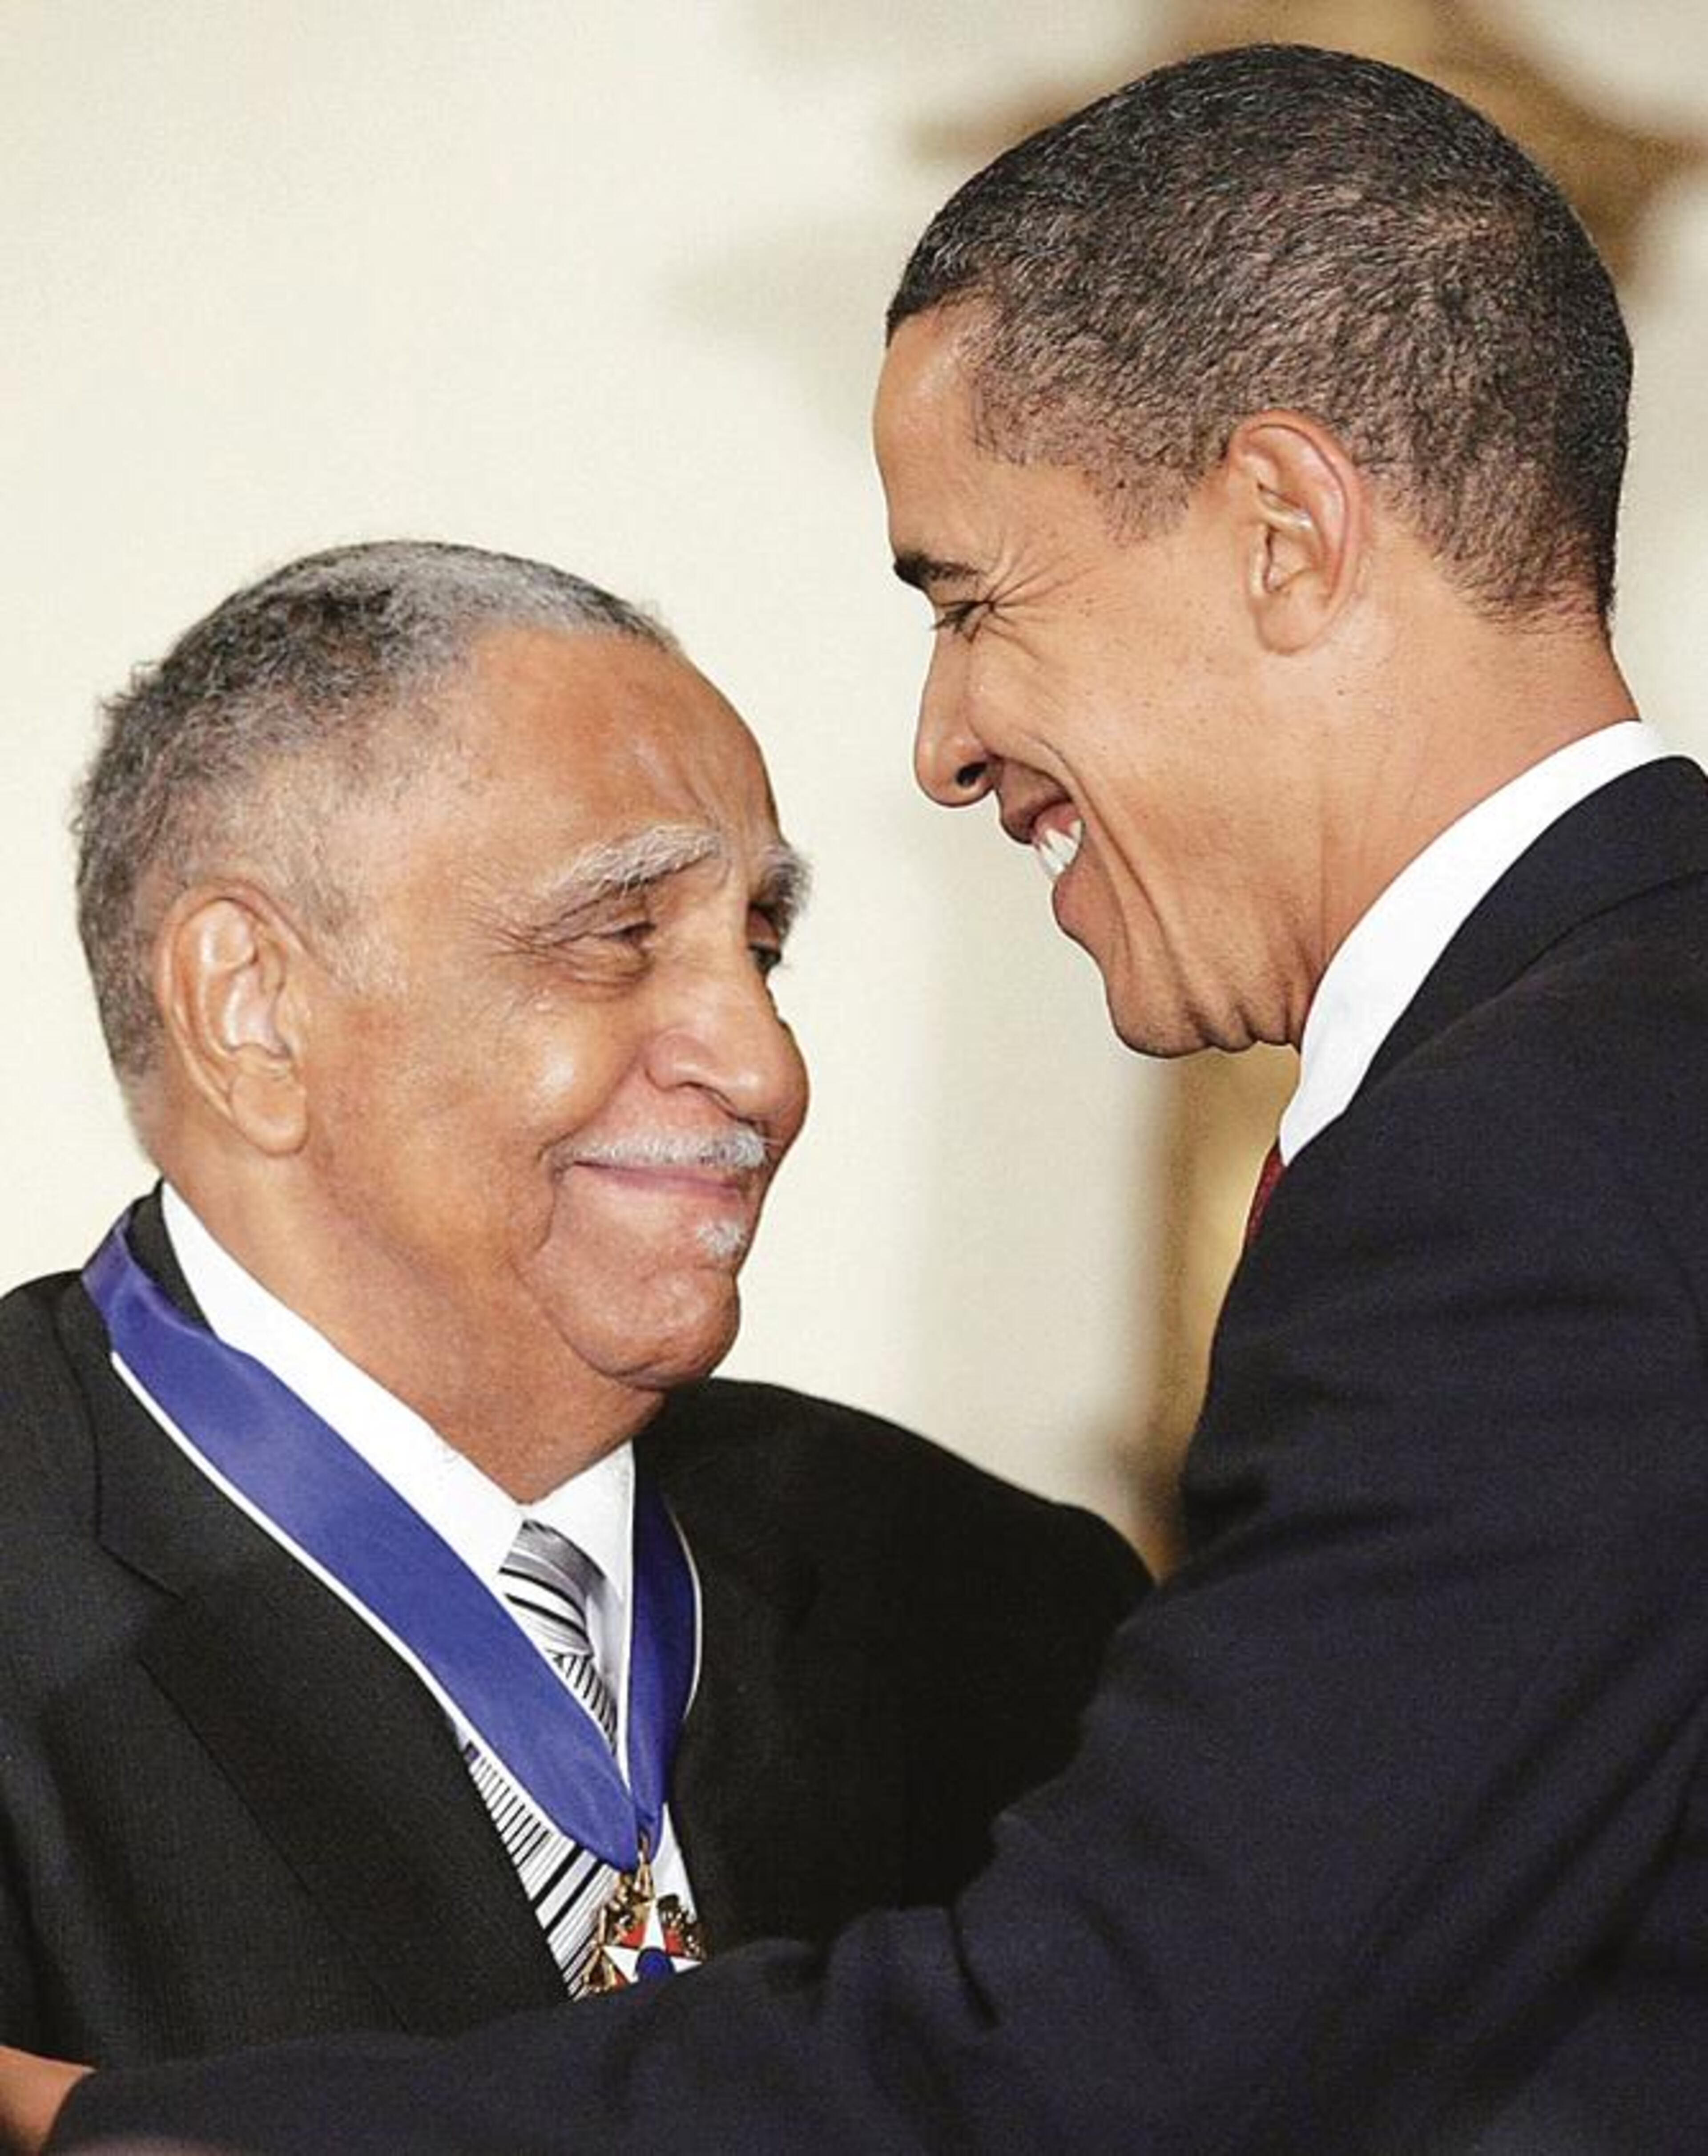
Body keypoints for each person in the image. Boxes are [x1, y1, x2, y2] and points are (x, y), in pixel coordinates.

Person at [15, 38, 1708, 2156]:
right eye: (616, 937)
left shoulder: (1040, 1588)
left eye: (974, 600)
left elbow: (1115, 2056)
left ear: (1286, 533)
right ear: (250, 1004)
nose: (943, 738)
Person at [0, 543, 1143, 2068]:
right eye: (618, 940)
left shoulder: (1002, 1608)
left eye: (760, 948)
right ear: (251, 1010)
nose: (765, 1071)